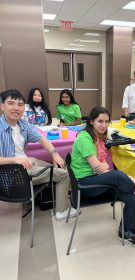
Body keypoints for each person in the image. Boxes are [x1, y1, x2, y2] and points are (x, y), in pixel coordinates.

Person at [71, 106, 135, 248]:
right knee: (117, 176)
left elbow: (104, 164)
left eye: (106, 121)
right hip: (85, 185)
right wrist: (128, 178)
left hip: (96, 180)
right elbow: (99, 168)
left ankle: (127, 232)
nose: (104, 125)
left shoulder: (99, 137)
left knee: (131, 198)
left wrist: (124, 176)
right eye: (100, 121)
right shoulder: (84, 138)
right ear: (91, 121)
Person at [0, 89, 77, 221]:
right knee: (63, 175)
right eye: (11, 103)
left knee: (58, 164)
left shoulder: (22, 124)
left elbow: (42, 139)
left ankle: (56, 196)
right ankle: (62, 212)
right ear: (2, 106)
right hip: (11, 176)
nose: (16, 108)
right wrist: (15, 160)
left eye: (20, 105)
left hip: (25, 164)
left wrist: (54, 154)